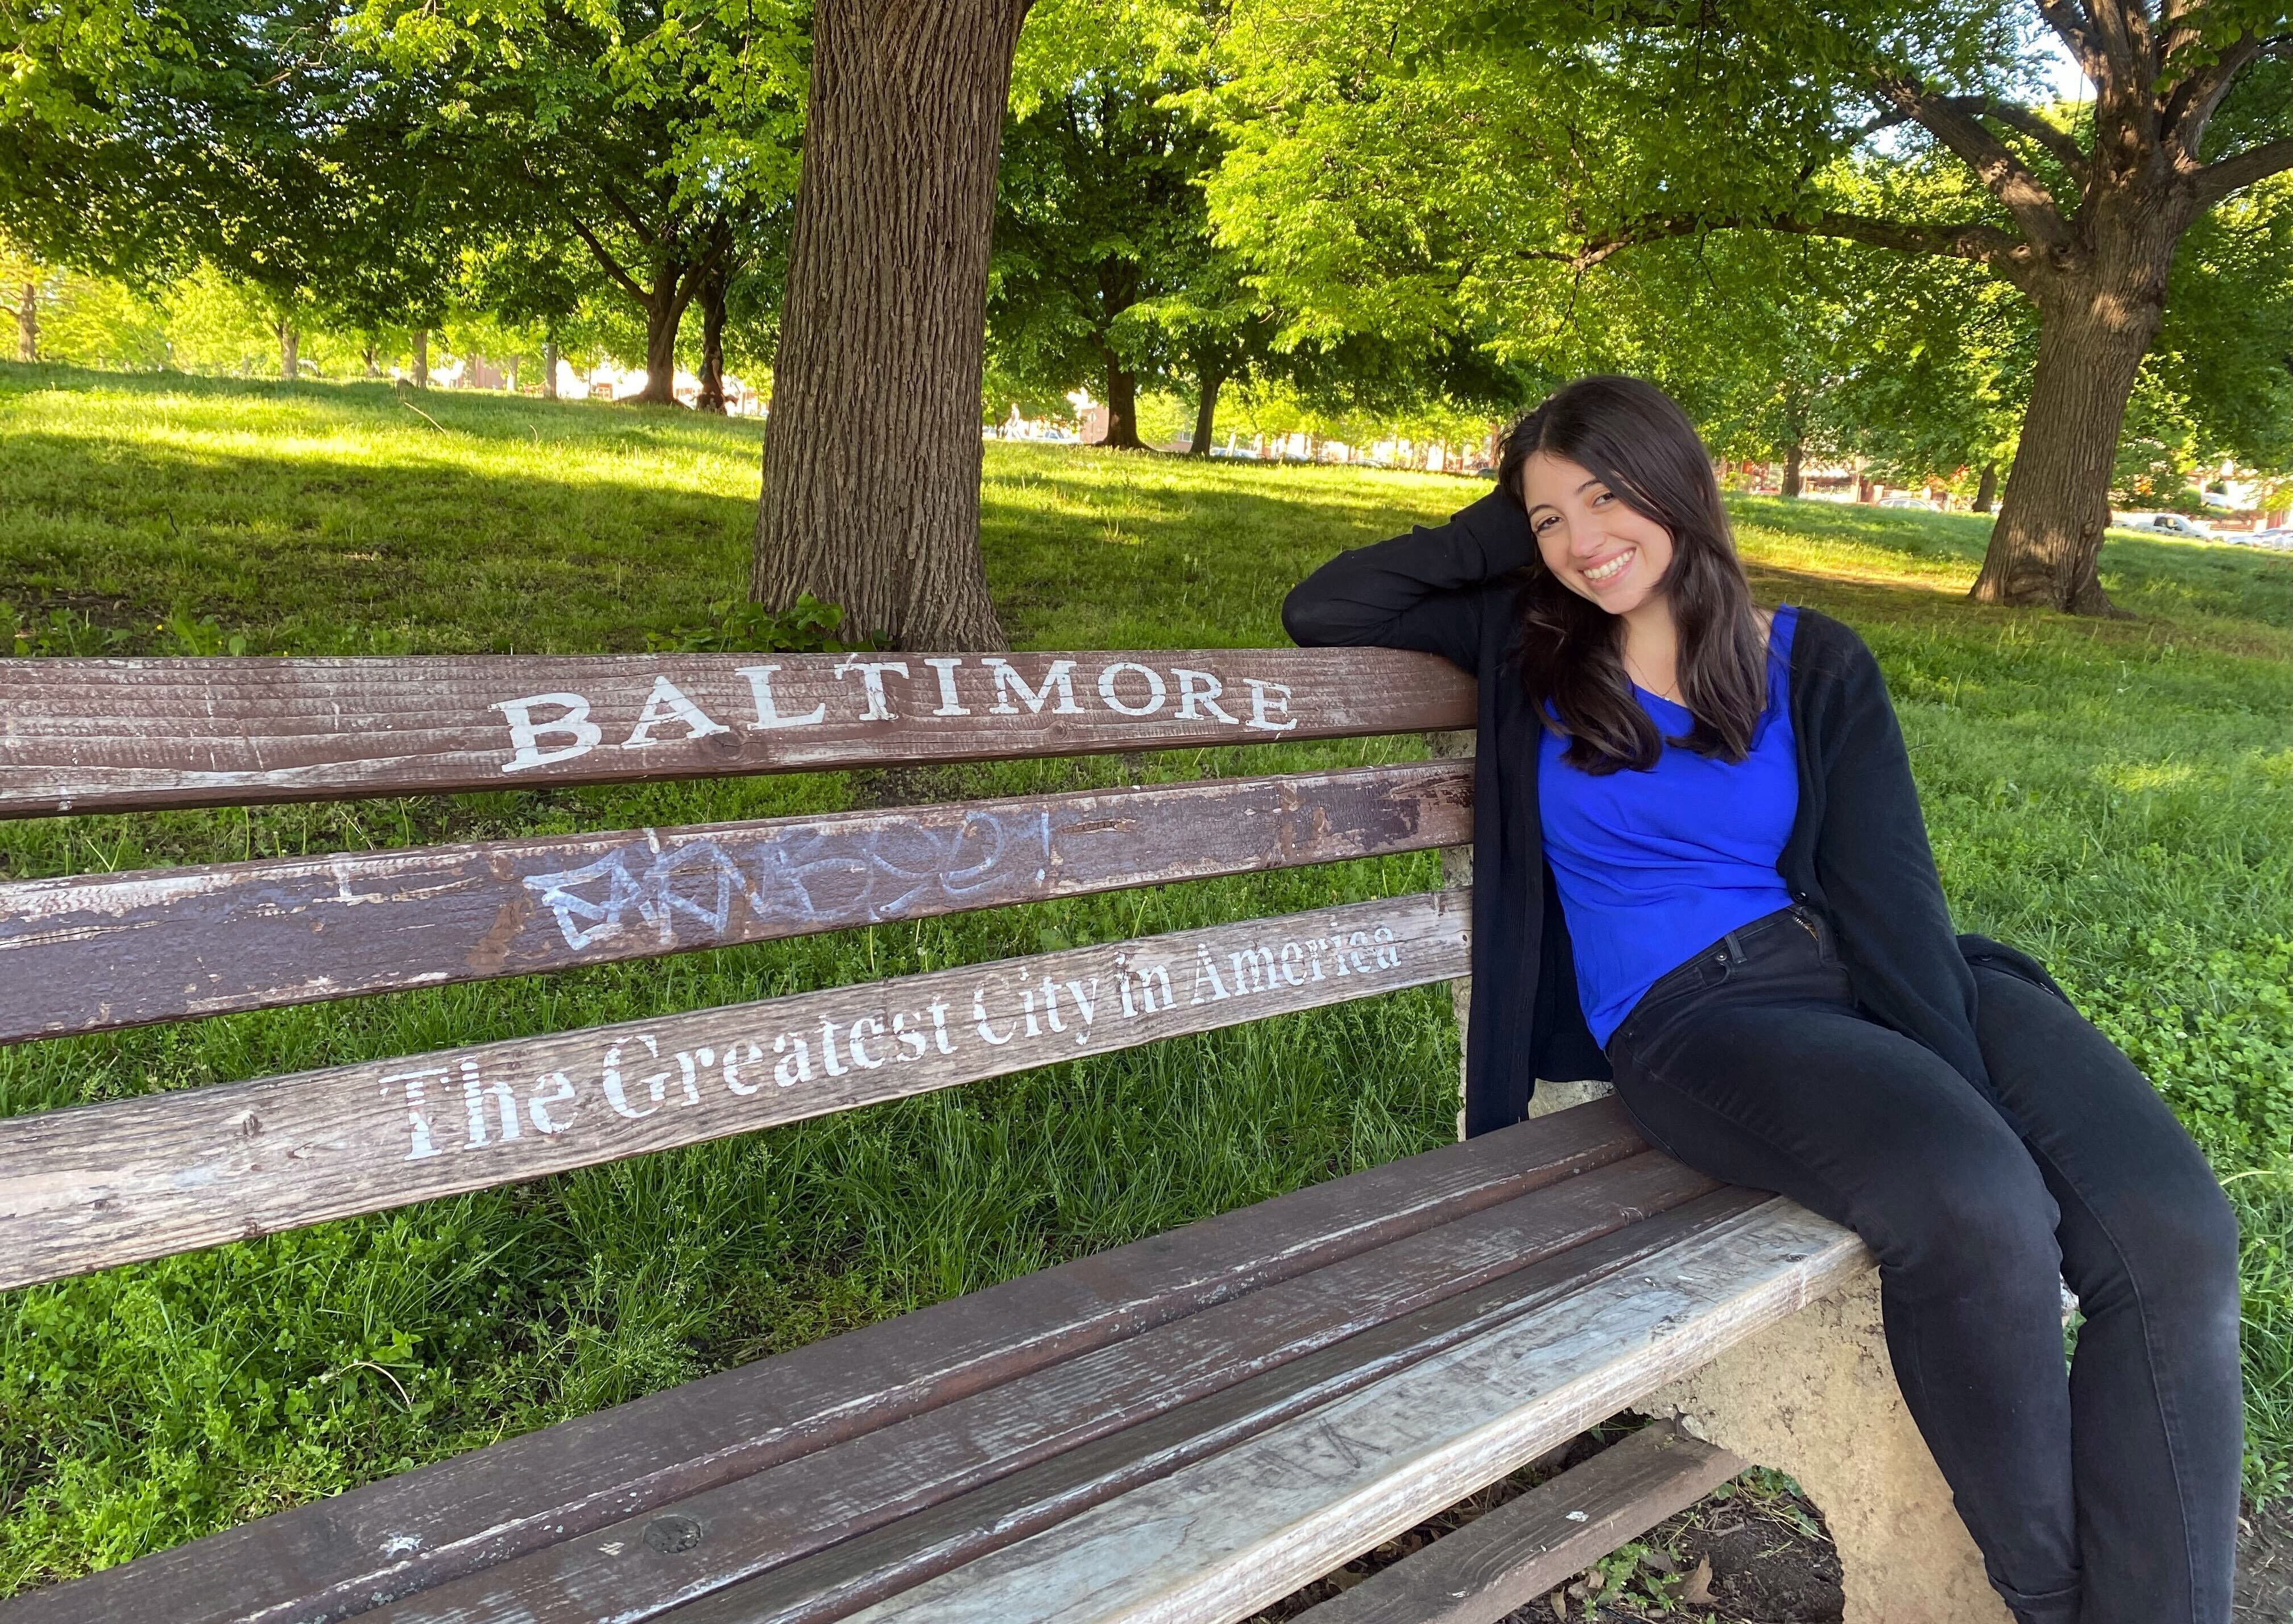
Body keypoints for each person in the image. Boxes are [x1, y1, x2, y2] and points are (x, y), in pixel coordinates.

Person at [1281, 375, 2244, 1624]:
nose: (1582, 542)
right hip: (1698, 1023)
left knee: (2173, 1232)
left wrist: (1958, 1076)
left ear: (1682, 487)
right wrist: (1514, 513)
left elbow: (1892, 893)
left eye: (1609, 497)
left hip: (1868, 972)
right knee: (1972, 1200)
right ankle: (2056, 1600)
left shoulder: (1810, 658)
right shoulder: (1526, 645)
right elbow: (1324, 606)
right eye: (1549, 518)